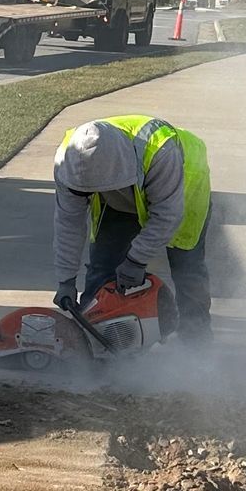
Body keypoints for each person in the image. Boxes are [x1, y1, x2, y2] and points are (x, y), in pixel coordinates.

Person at [51, 112, 213, 338]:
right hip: (122, 194)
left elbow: (167, 216)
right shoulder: (69, 157)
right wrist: (65, 280)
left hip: (184, 185)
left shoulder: (161, 151)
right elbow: (69, 223)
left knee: (187, 269)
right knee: (103, 268)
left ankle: (196, 345)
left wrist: (136, 261)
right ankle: (98, 343)